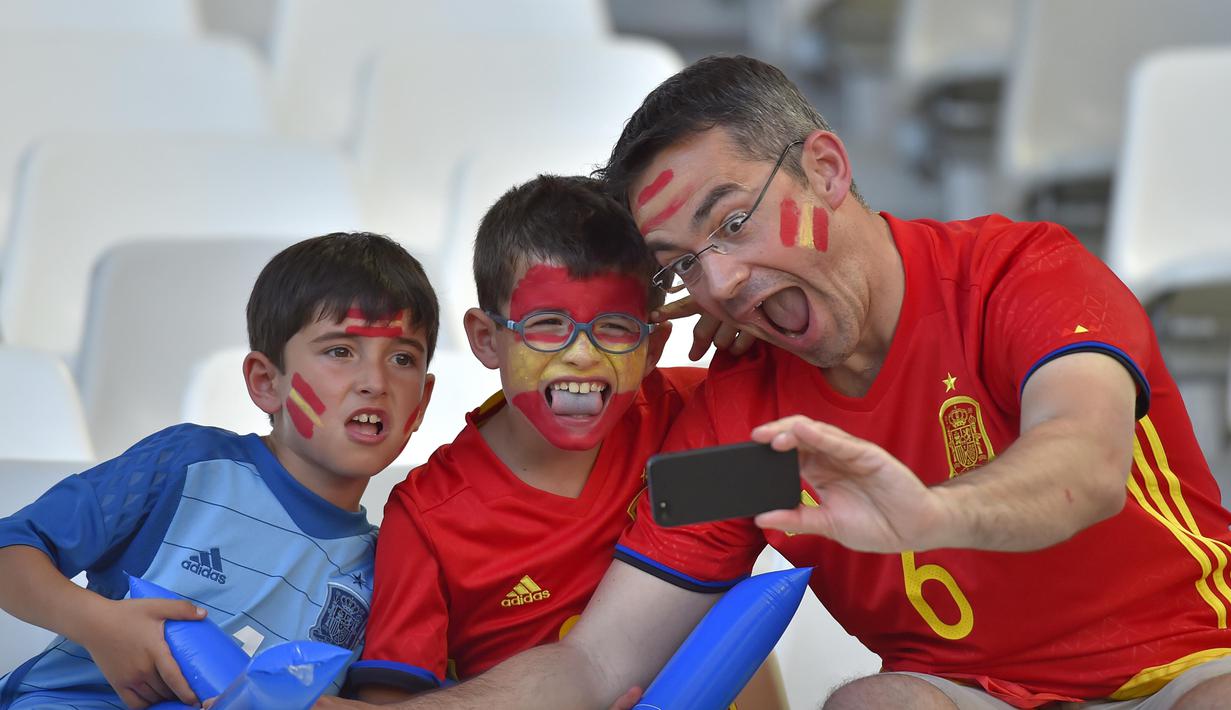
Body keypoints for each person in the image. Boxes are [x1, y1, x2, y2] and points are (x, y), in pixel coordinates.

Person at [321, 56, 1231, 710]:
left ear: (827, 170)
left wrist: (931, 513)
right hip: (964, 693)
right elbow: (597, 664)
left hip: (1188, 659)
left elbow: (1083, 462)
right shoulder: (742, 421)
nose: (716, 285)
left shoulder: (1013, 276)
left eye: (732, 224)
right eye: (683, 263)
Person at [343, 175, 784, 708]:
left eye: (617, 327)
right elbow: (390, 704)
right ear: (487, 340)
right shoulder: (429, 520)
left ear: (652, 346)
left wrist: (759, 324)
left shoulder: (696, 415)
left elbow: (832, 440)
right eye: (547, 324)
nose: (581, 354)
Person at [0, 231, 439, 708]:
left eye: (402, 358)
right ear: (266, 382)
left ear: (422, 405)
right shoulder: (187, 463)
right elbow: (10, 551)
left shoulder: (388, 566)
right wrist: (100, 624)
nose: (375, 382)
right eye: (340, 351)